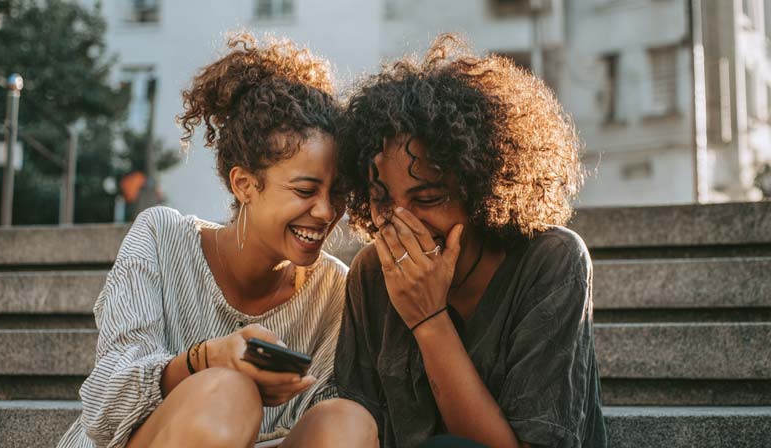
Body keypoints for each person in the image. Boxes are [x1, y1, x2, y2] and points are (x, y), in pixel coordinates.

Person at [57, 32, 376, 448]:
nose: (326, 211)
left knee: (348, 421)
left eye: (336, 194)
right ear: (244, 184)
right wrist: (206, 360)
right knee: (227, 392)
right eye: (304, 190)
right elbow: (106, 405)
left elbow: (323, 420)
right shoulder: (161, 236)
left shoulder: (335, 288)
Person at [334, 34, 609, 448]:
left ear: (481, 190)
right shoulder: (370, 274)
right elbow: (352, 427)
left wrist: (428, 320)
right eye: (382, 201)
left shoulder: (552, 261)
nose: (401, 221)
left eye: (427, 198)